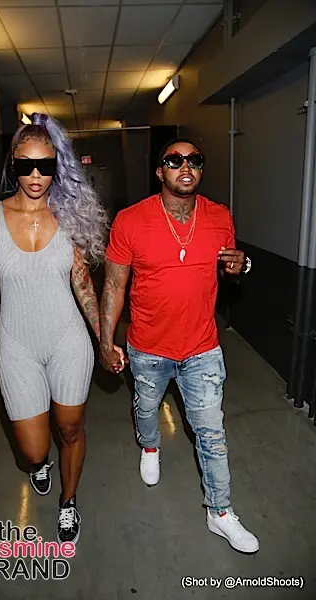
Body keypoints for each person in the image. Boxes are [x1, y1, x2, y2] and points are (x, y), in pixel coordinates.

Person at [0, 113, 121, 545]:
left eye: (45, 166)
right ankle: (42, 465)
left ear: (57, 166)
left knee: (70, 428)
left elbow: (83, 285)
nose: (35, 176)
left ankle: (69, 500)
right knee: (33, 450)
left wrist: (104, 340)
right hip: (16, 345)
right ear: (13, 164)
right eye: (26, 165)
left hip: (67, 339)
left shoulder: (69, 217)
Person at [99, 138, 258, 554]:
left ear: (201, 169)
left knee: (211, 432)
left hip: (202, 348)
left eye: (194, 160)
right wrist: (105, 340)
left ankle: (220, 512)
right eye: (174, 160)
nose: (185, 166)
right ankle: (150, 445)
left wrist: (242, 265)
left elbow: (230, 266)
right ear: (160, 171)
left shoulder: (219, 216)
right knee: (146, 409)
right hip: (148, 347)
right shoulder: (131, 220)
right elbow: (114, 285)